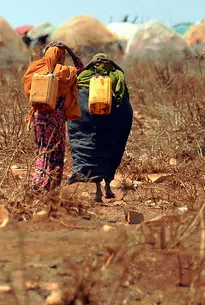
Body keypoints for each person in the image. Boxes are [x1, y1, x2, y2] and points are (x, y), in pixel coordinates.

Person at [66, 53, 134, 202]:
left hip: (89, 124)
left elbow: (76, 99)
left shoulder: (84, 77)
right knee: (110, 153)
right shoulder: (117, 77)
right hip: (112, 125)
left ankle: (98, 191)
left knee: (93, 153)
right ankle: (108, 187)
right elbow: (124, 100)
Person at [23, 42, 84, 194]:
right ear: (62, 57)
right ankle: (48, 188)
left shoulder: (35, 69)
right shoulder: (65, 72)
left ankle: (38, 184)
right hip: (56, 119)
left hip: (38, 117)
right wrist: (70, 50)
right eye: (63, 55)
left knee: (42, 150)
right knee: (55, 153)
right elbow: (81, 69)